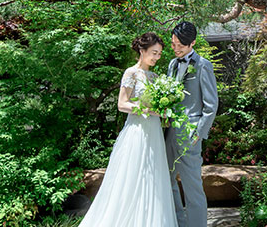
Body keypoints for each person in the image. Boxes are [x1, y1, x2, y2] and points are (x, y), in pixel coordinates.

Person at [78, 32, 177, 227]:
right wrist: (147, 110)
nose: (157, 57)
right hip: (137, 131)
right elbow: (122, 104)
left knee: (153, 177)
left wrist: (164, 111)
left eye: (159, 54)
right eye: (154, 53)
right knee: (132, 175)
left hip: (154, 132)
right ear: (142, 50)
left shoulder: (155, 77)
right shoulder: (131, 73)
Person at [165, 21, 219, 227]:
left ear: (192, 43)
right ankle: (179, 223)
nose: (176, 48)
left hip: (190, 134)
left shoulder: (203, 65)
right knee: (167, 181)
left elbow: (211, 105)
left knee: (192, 187)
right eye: (173, 44)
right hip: (169, 133)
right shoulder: (172, 64)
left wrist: (198, 134)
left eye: (180, 45)